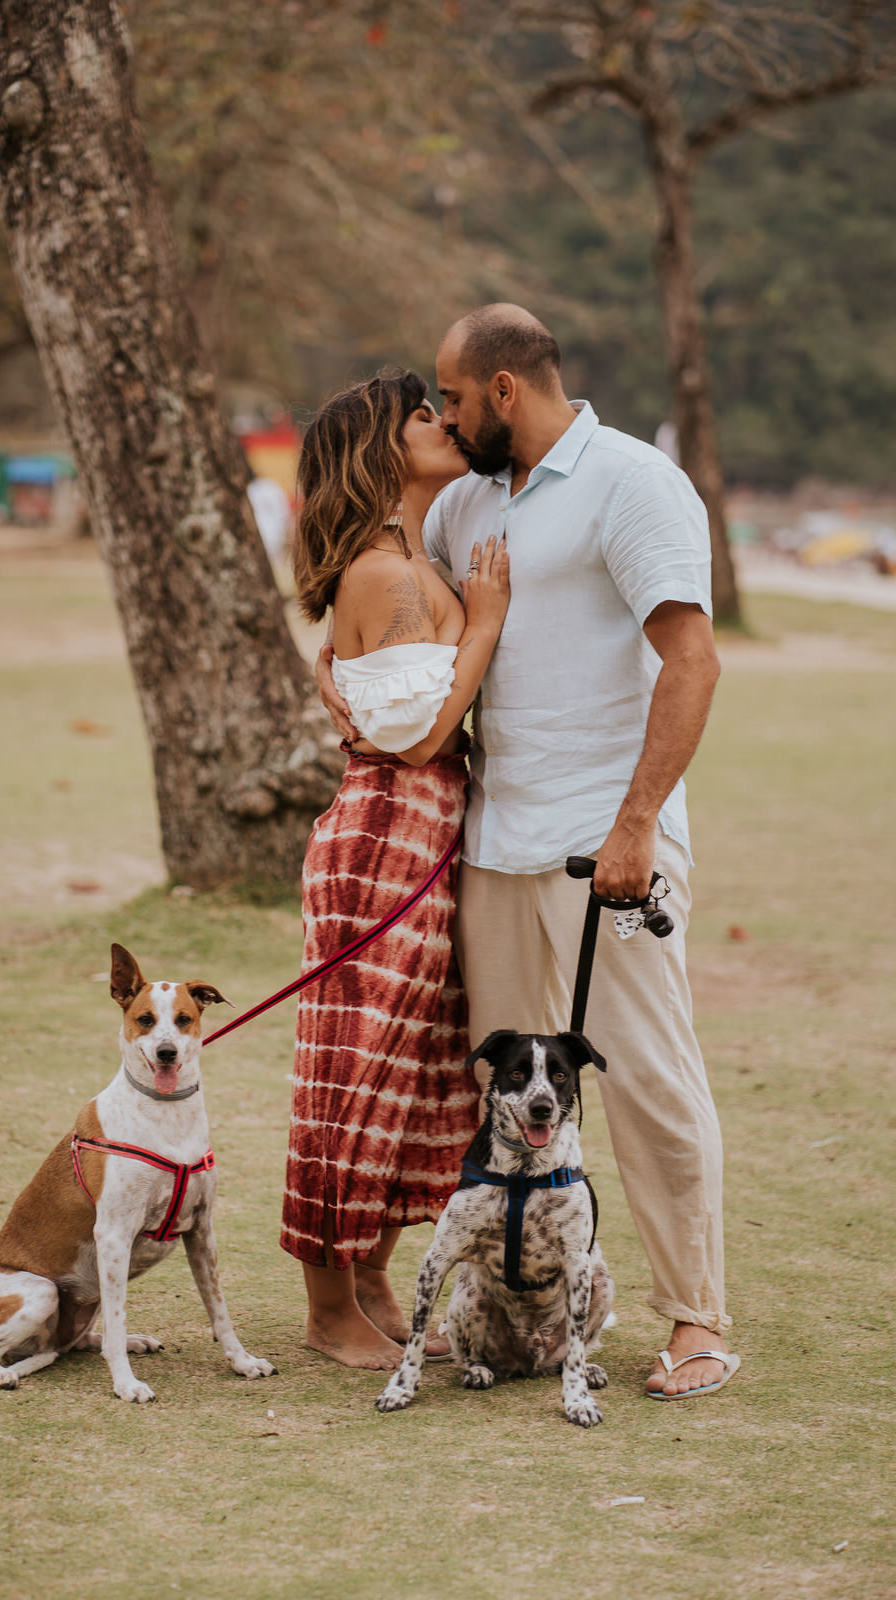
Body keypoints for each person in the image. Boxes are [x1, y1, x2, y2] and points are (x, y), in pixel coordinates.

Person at [319, 306, 737, 1400]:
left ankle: (696, 1320)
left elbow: (690, 663)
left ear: (503, 390)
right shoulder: (462, 504)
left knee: (644, 1077)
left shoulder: (633, 484)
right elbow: (421, 650)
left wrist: (636, 823)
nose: (444, 421)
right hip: (489, 847)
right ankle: (503, 1314)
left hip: (607, 845)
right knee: (494, 1098)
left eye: (452, 400)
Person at [283, 369, 511, 1370]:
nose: (445, 423)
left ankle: (368, 1278)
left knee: (413, 1072)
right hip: (385, 834)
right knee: (355, 1066)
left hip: (424, 836)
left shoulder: (413, 563)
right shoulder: (385, 576)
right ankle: (327, 1309)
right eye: (424, 416)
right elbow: (417, 740)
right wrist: (487, 624)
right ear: (381, 446)